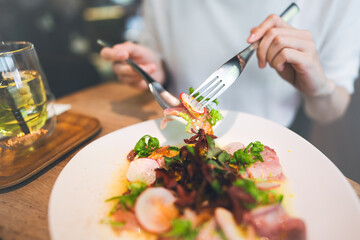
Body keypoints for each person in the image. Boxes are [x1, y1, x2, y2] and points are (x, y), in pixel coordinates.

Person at [101, 0, 360, 127]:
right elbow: (158, 49)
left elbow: (331, 110)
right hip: (177, 132)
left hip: (276, 141)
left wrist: (319, 87)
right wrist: (156, 68)